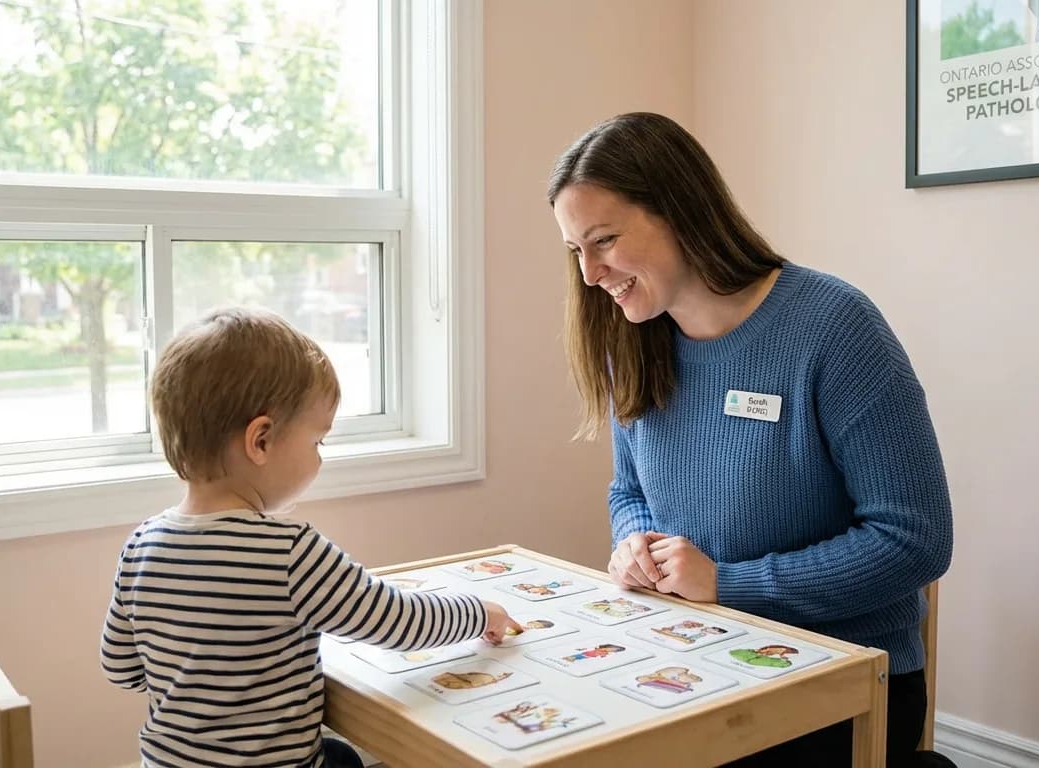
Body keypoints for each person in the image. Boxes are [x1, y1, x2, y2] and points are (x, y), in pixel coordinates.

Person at [549, 112, 955, 767]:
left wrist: (728, 583)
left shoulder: (834, 327)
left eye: (605, 241)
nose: (591, 274)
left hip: (840, 681)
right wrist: (638, 545)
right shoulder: (633, 340)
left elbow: (915, 540)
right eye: (576, 251)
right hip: (694, 655)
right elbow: (630, 490)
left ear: (680, 212)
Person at [99, 306, 521, 768]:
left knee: (338, 752)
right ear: (260, 441)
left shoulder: (141, 545)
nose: (320, 457)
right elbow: (398, 622)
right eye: (318, 441)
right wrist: (478, 612)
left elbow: (121, 668)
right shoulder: (288, 551)